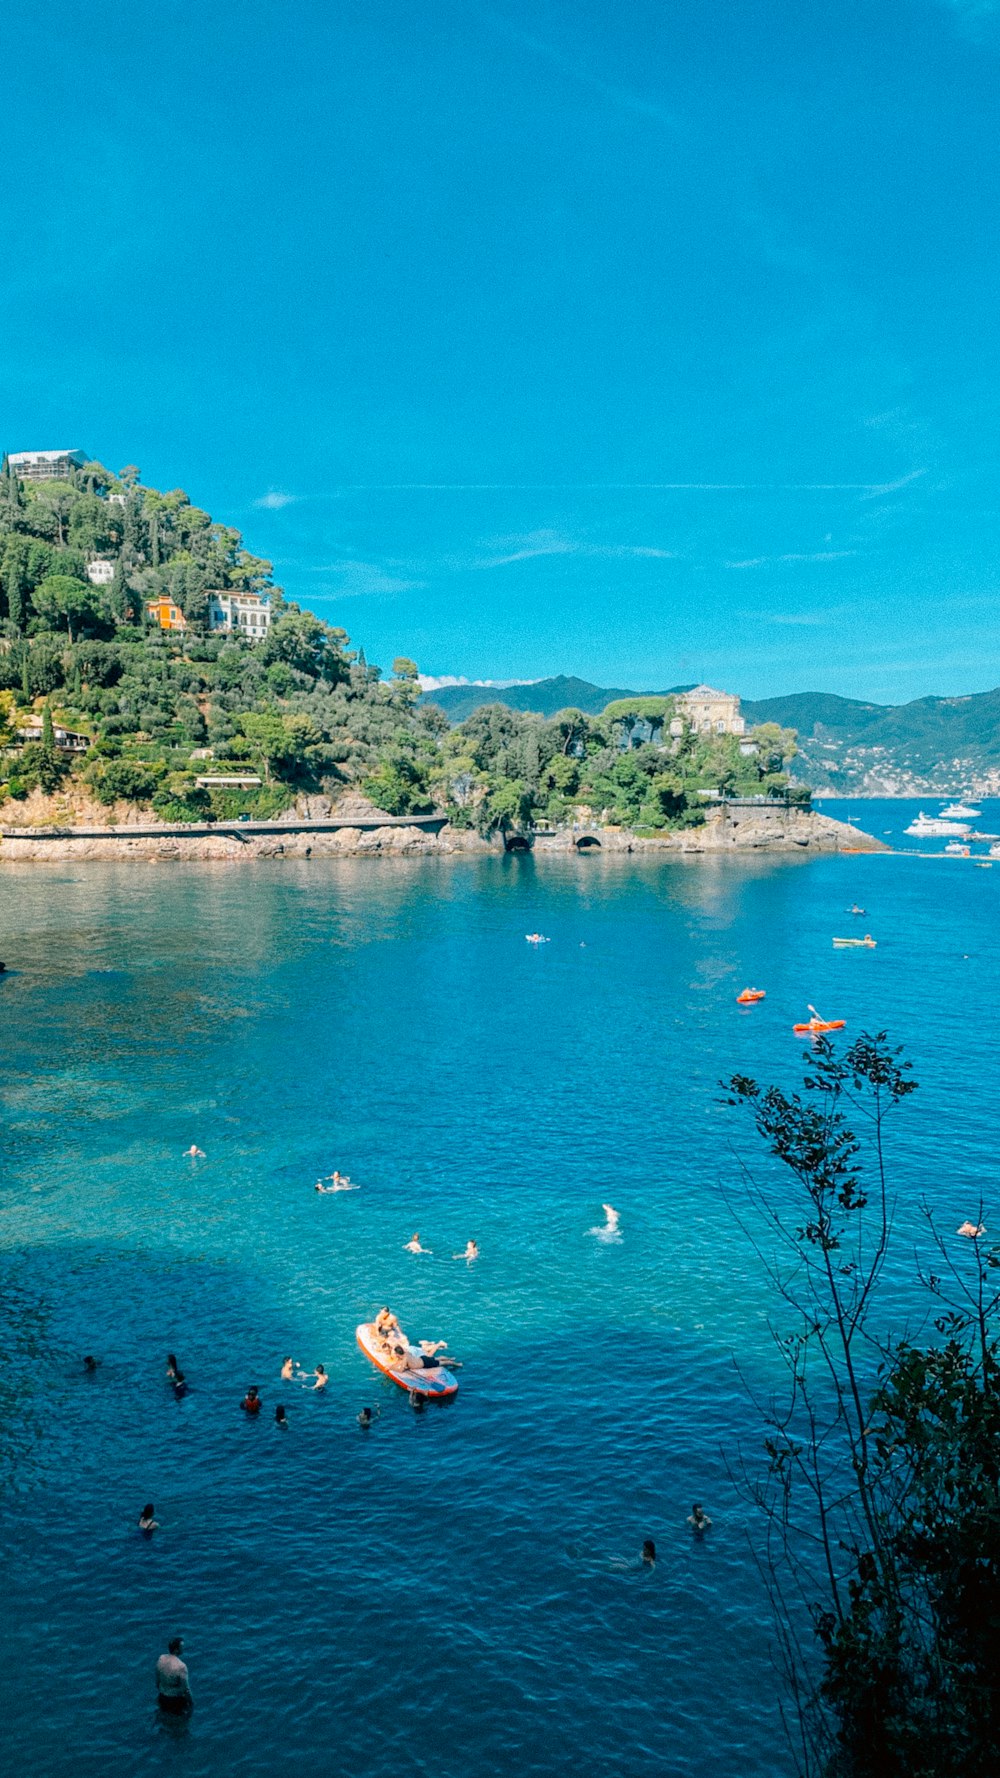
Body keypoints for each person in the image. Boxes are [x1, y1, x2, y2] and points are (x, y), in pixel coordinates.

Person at [156, 1637, 193, 1714]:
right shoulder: (181, 1666)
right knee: (181, 1724)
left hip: (162, 1697)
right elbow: (185, 1689)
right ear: (176, 1650)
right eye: (181, 1647)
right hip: (175, 1700)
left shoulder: (161, 1659)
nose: (183, 1649)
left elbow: (157, 1681)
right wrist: (192, 1703)